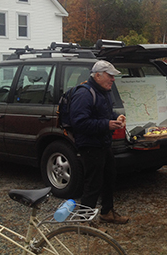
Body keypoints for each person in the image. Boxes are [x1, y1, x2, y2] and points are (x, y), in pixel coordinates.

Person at [70, 60, 129, 224]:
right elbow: (79, 123)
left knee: (110, 177)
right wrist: (107, 124)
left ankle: (107, 212)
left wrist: (115, 119)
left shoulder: (103, 91)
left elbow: (103, 115)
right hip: (90, 145)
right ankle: (85, 221)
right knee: (93, 183)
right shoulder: (84, 94)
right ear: (97, 75)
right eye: (110, 76)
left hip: (103, 143)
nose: (113, 79)